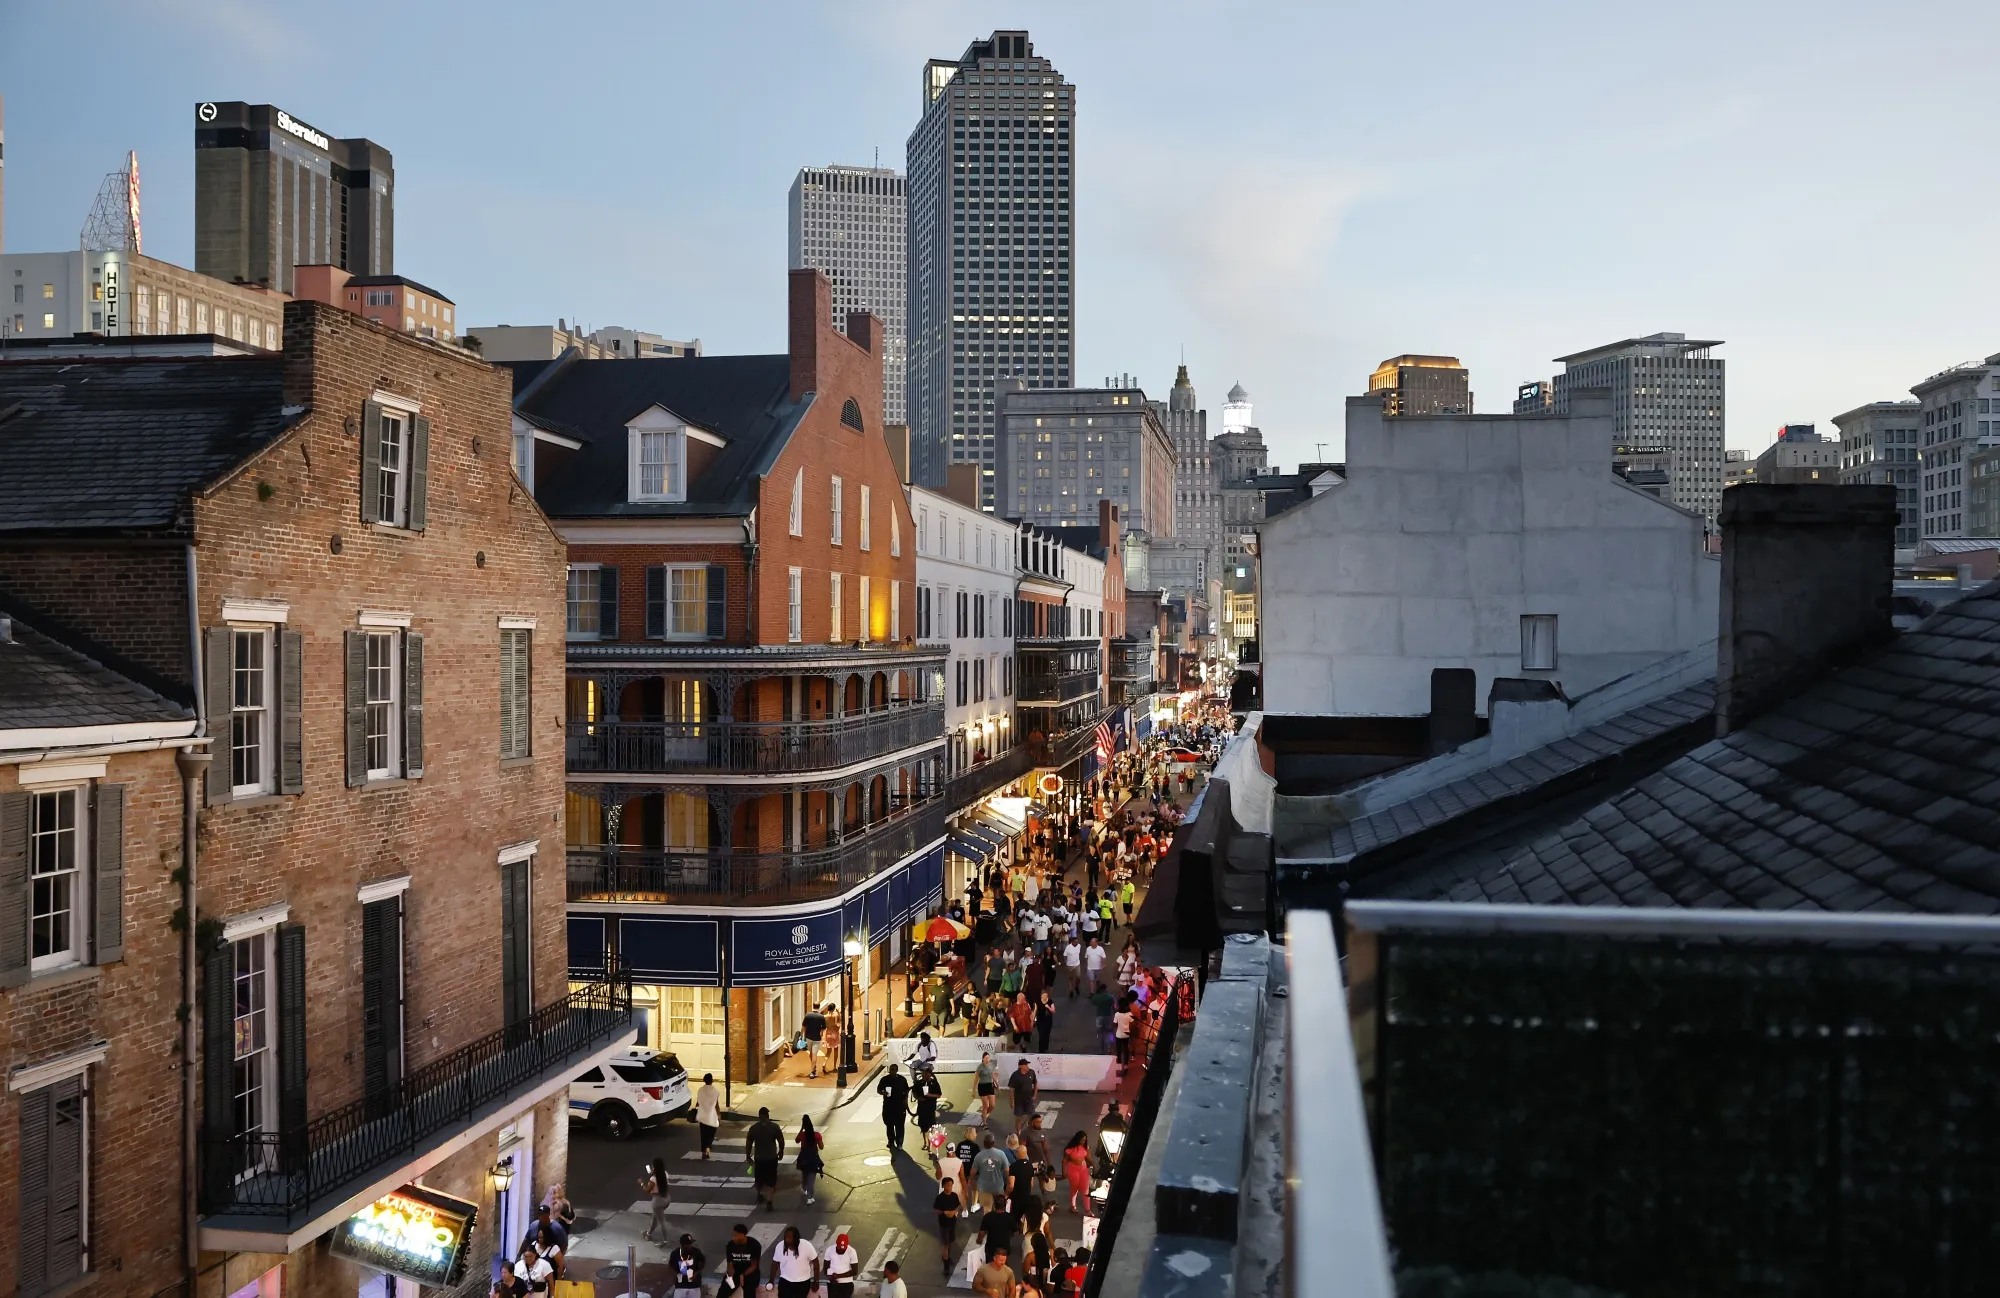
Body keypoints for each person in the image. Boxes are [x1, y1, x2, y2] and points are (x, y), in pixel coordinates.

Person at [746, 1106, 785, 1211]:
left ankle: (759, 1194)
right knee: (771, 1180)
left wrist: (748, 1156)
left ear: (759, 1116)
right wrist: (781, 1151)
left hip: (759, 1158)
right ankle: (769, 1200)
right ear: (768, 1116)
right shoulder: (774, 1127)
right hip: (771, 1158)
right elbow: (781, 1140)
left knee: (759, 1178)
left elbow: (749, 1142)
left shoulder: (754, 1128)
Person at [770, 1225, 821, 1298]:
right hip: (785, 1281)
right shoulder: (780, 1246)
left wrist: (816, 1281)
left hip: (803, 1282)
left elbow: (816, 1262)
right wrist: (771, 1280)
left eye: (789, 1237)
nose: (787, 1240)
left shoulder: (806, 1245)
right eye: (785, 1237)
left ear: (796, 1238)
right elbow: (775, 1263)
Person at [878, 1061, 912, 1151]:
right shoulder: (885, 1080)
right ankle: (891, 1141)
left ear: (897, 1070)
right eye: (891, 1069)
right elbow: (879, 1090)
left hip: (900, 1106)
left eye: (894, 1069)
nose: (892, 1071)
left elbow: (906, 1090)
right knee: (889, 1124)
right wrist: (883, 1093)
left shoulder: (902, 1080)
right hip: (888, 1105)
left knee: (900, 1126)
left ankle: (900, 1143)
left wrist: (905, 1100)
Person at [721, 1223, 762, 1296]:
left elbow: (754, 1265)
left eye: (736, 1235)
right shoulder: (731, 1245)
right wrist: (730, 1277)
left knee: (749, 1291)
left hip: (750, 1272)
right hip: (736, 1271)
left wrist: (743, 1275)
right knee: (723, 1291)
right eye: (733, 1235)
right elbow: (730, 1264)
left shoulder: (754, 1245)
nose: (734, 1238)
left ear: (743, 1234)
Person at [973, 1134, 1011, 1212]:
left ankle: (989, 1223)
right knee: (1000, 1209)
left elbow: (973, 1172)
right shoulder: (1001, 1154)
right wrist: (1008, 1182)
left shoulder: (979, 1155)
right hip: (998, 1186)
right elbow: (1007, 1170)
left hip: (984, 1187)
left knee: (987, 1209)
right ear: (993, 1143)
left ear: (984, 1143)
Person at [934, 1174, 965, 1272]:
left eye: (951, 1185)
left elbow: (958, 1206)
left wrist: (954, 1211)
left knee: (950, 1242)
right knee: (945, 1244)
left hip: (952, 1223)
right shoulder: (940, 1198)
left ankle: (947, 1258)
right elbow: (936, 1210)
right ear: (943, 1186)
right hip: (943, 1224)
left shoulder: (954, 1196)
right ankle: (946, 1265)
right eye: (947, 1185)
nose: (949, 1187)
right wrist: (944, 1212)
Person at [638, 1158, 673, 1242]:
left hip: (657, 1202)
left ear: (655, 1167)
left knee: (661, 1221)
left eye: (653, 1166)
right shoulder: (665, 1174)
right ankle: (648, 1233)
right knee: (655, 1217)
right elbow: (661, 1183)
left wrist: (641, 1183)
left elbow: (647, 1190)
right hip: (667, 1199)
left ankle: (665, 1240)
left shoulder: (653, 1179)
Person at [796, 1114, 826, 1205]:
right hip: (813, 1158)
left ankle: (804, 1188)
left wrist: (801, 1129)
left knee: (805, 1175)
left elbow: (796, 1140)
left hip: (803, 1158)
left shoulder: (802, 1135)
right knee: (811, 1179)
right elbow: (821, 1147)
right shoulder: (816, 1135)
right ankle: (809, 1197)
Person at [825, 1231, 863, 1298]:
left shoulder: (852, 1251)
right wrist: (830, 1277)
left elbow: (855, 1271)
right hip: (833, 1283)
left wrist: (838, 1276)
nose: (842, 1250)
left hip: (847, 1283)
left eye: (844, 1249)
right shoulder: (829, 1250)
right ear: (836, 1244)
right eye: (840, 1248)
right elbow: (825, 1267)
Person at [1062, 1132, 1092, 1214]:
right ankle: (1073, 1206)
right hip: (1073, 1169)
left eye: (1085, 1140)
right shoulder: (1070, 1149)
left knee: (1086, 1189)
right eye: (1082, 1140)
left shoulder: (1086, 1147)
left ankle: (1087, 1210)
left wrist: (1093, 1166)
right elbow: (1065, 1161)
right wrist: (1064, 1172)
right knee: (1074, 1188)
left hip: (1083, 1169)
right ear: (1077, 1139)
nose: (1083, 1142)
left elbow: (1089, 1158)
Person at [669, 1234, 706, 1298]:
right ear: (683, 1245)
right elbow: (670, 1265)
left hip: (694, 1285)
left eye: (690, 1243)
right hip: (680, 1286)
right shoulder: (675, 1253)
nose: (690, 1245)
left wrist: (696, 1273)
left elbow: (702, 1262)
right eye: (688, 1244)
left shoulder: (696, 1252)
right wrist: (676, 1274)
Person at [694, 1073, 722, 1158]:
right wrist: (719, 1115)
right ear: (712, 1080)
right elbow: (716, 1105)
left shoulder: (700, 1090)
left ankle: (703, 1152)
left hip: (702, 1116)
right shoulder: (715, 1091)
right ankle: (708, 1148)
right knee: (711, 1134)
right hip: (711, 1116)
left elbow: (697, 1103)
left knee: (703, 1135)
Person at [1009, 1057, 1040, 1134]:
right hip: (1019, 1100)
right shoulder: (1015, 1075)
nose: (1027, 1066)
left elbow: (1035, 1083)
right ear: (1021, 1066)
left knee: (1031, 1116)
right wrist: (1012, 1102)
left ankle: (1029, 1131)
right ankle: (1019, 1132)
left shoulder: (1031, 1072)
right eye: (1025, 1064)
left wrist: (1035, 1095)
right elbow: (1011, 1089)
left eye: (1027, 1064)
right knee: (1019, 1118)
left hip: (1029, 1099)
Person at [914, 1065, 943, 1136]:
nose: (925, 1077)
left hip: (930, 1108)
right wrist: (918, 1098)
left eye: (926, 1076)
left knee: (931, 1125)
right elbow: (914, 1093)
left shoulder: (934, 1083)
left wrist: (930, 1095)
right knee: (923, 1126)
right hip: (922, 1108)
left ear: (930, 1076)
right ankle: (926, 1142)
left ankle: (931, 1141)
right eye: (923, 1076)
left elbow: (939, 1095)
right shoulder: (919, 1083)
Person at [802, 1003, 828, 1078]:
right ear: (819, 1007)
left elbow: (803, 1026)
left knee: (811, 1053)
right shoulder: (821, 1017)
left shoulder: (808, 1015)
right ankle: (812, 1071)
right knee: (814, 1054)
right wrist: (822, 1036)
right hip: (817, 1038)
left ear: (813, 1006)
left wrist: (801, 1036)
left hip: (808, 1037)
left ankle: (814, 1067)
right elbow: (824, 1028)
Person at [1112, 997, 1135, 1067]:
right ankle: (1126, 1064)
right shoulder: (1129, 1014)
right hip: (1127, 1034)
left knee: (1118, 1050)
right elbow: (1132, 1023)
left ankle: (1119, 1062)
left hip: (1119, 1034)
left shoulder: (1117, 1014)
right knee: (1126, 1049)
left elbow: (1115, 1024)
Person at [976, 1052, 998, 1124]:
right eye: (986, 1058)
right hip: (982, 1086)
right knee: (986, 1105)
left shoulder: (991, 1066)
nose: (987, 1060)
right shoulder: (980, 1067)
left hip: (989, 1086)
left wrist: (997, 1084)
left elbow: (993, 1075)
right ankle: (984, 1121)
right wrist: (973, 1090)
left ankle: (984, 1114)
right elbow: (976, 1079)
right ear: (983, 1059)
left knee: (992, 1105)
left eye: (988, 1058)